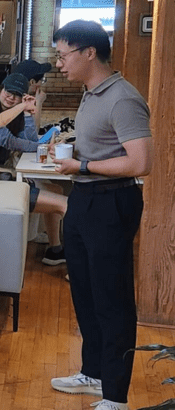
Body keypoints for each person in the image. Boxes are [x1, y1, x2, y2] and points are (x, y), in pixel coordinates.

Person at [48, 20, 152, 410]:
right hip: (84, 200)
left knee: (112, 298)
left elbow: (141, 162)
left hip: (112, 202)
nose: (60, 64)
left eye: (63, 56)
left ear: (89, 53)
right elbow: (104, 146)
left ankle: (116, 396)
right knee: (85, 290)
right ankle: (93, 372)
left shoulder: (123, 98)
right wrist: (73, 151)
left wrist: (84, 166)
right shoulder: (92, 92)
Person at [0, 73, 68, 265]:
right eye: (7, 92)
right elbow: (8, 141)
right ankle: (58, 249)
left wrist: (29, 114)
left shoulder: (17, 113)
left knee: (56, 189)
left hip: (5, 169)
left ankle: (55, 249)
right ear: (0, 90)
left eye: (16, 95)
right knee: (57, 194)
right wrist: (42, 148)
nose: (10, 97)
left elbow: (30, 139)